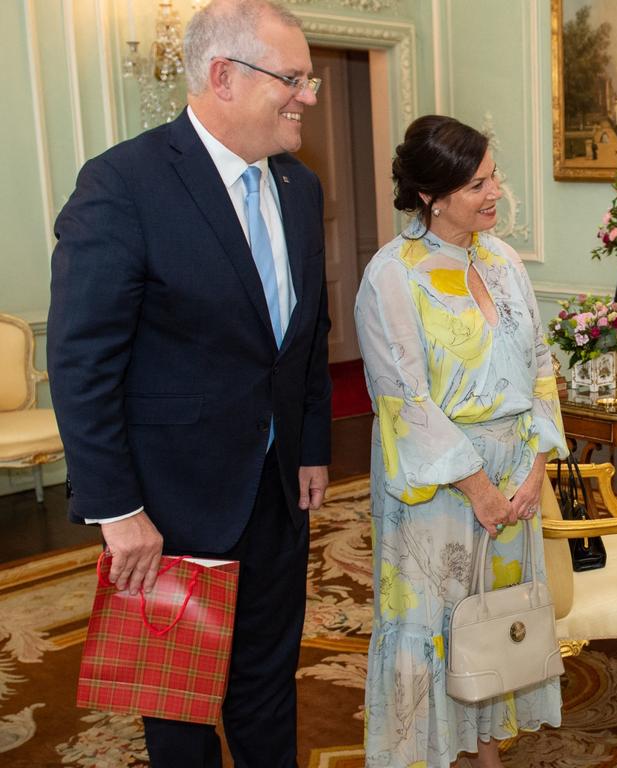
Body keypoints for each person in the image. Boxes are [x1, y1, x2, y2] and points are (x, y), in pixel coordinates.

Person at [47, 1, 331, 765]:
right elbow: (82, 362)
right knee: (177, 707)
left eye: (309, 79)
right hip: (168, 507)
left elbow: (306, 337)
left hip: (276, 492)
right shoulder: (122, 185)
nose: (309, 95)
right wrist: (119, 511)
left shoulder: (299, 190)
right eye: (294, 78)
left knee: (269, 683)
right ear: (223, 77)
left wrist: (309, 442)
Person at [355, 115, 568, 768]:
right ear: (430, 194)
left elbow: (539, 364)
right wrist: (477, 487)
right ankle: (431, 752)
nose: (495, 192)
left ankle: (485, 748)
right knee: (436, 621)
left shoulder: (503, 260)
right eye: (477, 184)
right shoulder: (393, 276)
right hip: (440, 486)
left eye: (493, 176)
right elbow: (405, 402)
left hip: (514, 478)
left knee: (494, 617)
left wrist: (534, 471)